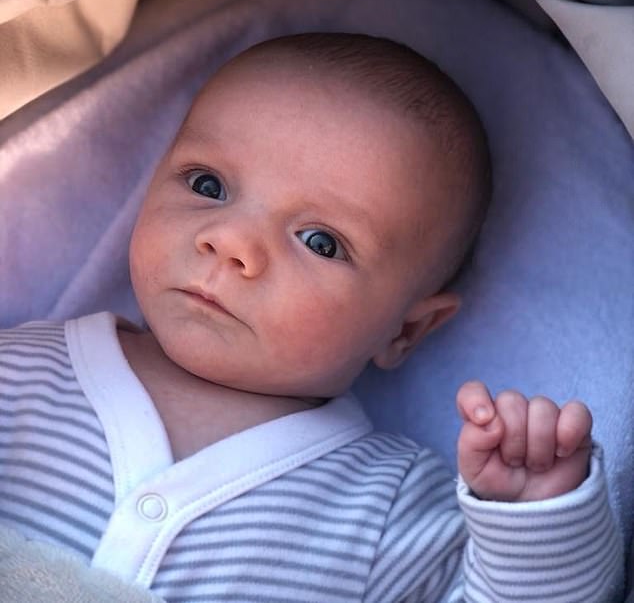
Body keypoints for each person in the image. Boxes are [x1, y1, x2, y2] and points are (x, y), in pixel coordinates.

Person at [0, 33, 622, 602]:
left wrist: (535, 523)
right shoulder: (20, 371)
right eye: (207, 185)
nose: (230, 242)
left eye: (320, 242)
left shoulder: (385, 507)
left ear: (404, 330)